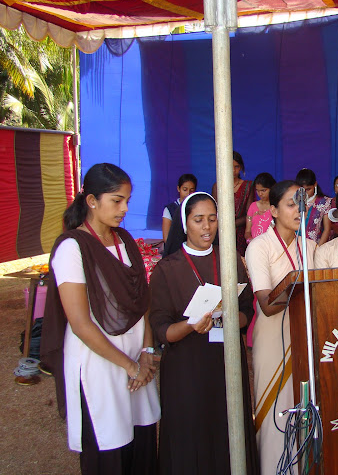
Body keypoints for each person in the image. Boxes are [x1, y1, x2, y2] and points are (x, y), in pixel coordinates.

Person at [40, 163, 160, 474]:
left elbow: (142, 303)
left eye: (127, 200)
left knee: (141, 444)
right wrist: (130, 366)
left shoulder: (125, 240)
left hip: (136, 361)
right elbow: (80, 324)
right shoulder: (72, 248)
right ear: (92, 201)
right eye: (117, 200)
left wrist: (146, 352)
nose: (125, 209)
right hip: (98, 365)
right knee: (108, 447)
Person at [149, 192, 259, 474]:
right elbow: (161, 329)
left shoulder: (230, 259)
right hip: (187, 368)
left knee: (228, 426)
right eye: (198, 220)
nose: (207, 227)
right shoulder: (167, 269)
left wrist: (232, 317)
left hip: (226, 362)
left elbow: (247, 309)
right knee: (191, 431)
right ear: (184, 224)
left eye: (212, 219)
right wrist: (190, 324)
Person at [245, 181, 317, 474]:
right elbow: (266, 303)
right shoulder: (259, 246)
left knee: (303, 406)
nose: (300, 210)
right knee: (274, 410)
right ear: (273, 210)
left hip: (304, 337)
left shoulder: (310, 247)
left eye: (303, 204)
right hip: (271, 339)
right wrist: (307, 293)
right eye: (291, 204)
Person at [211, 151, 254, 255]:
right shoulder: (217, 186)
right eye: (230, 166)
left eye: (236, 167)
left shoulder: (248, 186)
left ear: (241, 168)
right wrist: (224, 226)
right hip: (222, 233)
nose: (233, 170)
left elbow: (249, 214)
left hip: (241, 234)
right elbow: (214, 211)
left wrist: (230, 225)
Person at [295, 168, 332, 245]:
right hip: (295, 246)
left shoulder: (324, 202)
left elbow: (327, 229)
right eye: (302, 190)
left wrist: (318, 248)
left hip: (315, 245)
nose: (305, 193)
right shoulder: (294, 202)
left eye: (308, 189)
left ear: (315, 184)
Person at [162, 173, 197, 242]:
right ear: (178, 189)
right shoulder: (169, 209)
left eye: (191, 190)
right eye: (185, 190)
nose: (188, 193)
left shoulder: (198, 208)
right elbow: (166, 238)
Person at [246, 172, 276, 244]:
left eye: (263, 190)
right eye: (257, 190)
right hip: (255, 246)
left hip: (272, 245)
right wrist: (250, 240)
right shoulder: (253, 206)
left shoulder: (276, 207)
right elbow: (247, 232)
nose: (260, 194)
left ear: (271, 188)